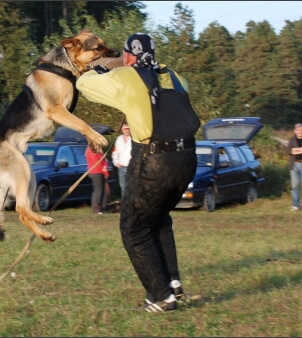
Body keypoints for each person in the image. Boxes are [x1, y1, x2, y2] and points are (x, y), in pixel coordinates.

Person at [77, 32, 200, 312]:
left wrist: (102, 66)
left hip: (154, 160)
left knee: (133, 228)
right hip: (187, 159)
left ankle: (161, 296)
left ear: (128, 56)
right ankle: (173, 284)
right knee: (158, 218)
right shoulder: (177, 76)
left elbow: (85, 85)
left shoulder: (127, 77)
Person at [85, 145, 110, 214]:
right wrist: (104, 172)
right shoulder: (91, 149)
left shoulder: (98, 149)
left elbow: (103, 160)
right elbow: (97, 163)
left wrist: (105, 168)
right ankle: (96, 209)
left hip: (100, 171)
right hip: (95, 172)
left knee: (105, 190)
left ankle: (103, 208)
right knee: (98, 190)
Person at [112, 123, 132, 200]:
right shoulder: (119, 139)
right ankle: (125, 204)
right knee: (123, 186)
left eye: (128, 129)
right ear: (122, 130)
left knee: (131, 186)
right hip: (121, 167)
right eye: (125, 129)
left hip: (131, 167)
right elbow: (115, 151)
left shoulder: (133, 139)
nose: (127, 131)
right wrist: (116, 162)